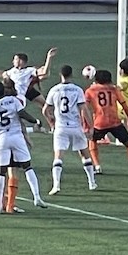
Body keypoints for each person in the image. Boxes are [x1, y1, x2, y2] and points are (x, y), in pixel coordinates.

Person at [0, 80, 47, 213]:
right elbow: (23, 114)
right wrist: (36, 121)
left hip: (1, 139)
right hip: (16, 136)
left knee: (1, 172)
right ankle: (37, 197)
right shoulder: (12, 100)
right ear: (4, 90)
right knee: (27, 166)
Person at [43, 64, 97, 195]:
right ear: (71, 75)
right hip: (75, 127)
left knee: (58, 156)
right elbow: (84, 110)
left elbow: (45, 110)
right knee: (84, 153)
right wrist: (91, 127)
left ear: (60, 75)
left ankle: (56, 185)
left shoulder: (54, 90)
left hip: (60, 127)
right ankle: (92, 182)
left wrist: (51, 122)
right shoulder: (77, 90)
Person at [85, 69, 128, 178]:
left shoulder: (90, 90)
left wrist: (86, 124)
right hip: (115, 122)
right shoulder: (114, 90)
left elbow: (84, 107)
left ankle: (97, 166)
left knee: (92, 140)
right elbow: (124, 106)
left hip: (100, 123)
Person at [0, 49, 57, 129]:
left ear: (21, 61)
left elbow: (45, 73)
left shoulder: (29, 71)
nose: (13, 61)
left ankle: (49, 125)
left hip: (19, 99)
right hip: (10, 97)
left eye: (15, 59)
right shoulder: (12, 71)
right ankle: (38, 126)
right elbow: (1, 74)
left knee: (44, 106)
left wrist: (49, 58)